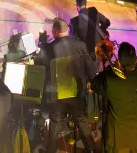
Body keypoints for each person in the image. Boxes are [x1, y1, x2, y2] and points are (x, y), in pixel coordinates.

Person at [39, 18, 97, 151]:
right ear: (68, 30)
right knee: (81, 120)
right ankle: (91, 149)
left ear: (54, 32)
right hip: (77, 92)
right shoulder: (80, 45)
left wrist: (42, 44)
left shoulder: (48, 48)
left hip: (57, 94)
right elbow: (90, 67)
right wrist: (91, 82)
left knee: (55, 124)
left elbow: (40, 67)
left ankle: (51, 150)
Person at [91, 42, 137, 153]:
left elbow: (94, 84)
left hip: (118, 139)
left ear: (119, 62)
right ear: (136, 59)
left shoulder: (111, 81)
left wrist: (110, 69)